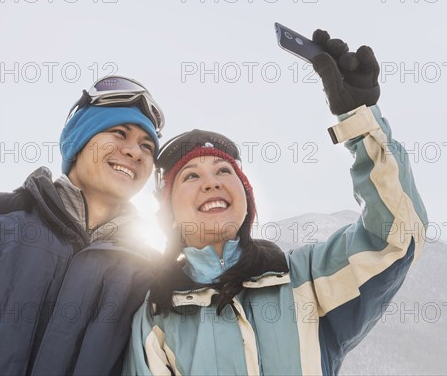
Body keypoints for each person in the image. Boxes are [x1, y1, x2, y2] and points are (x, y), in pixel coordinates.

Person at [123, 30, 428, 375]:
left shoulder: (306, 279)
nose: (211, 182)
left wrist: (360, 120)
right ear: (170, 214)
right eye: (191, 176)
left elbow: (396, 236)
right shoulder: (158, 317)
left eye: (224, 170)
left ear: (246, 200)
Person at [0, 76, 165, 375]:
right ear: (78, 141)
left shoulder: (150, 275)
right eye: (119, 132)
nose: (135, 152)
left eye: (147, 146)